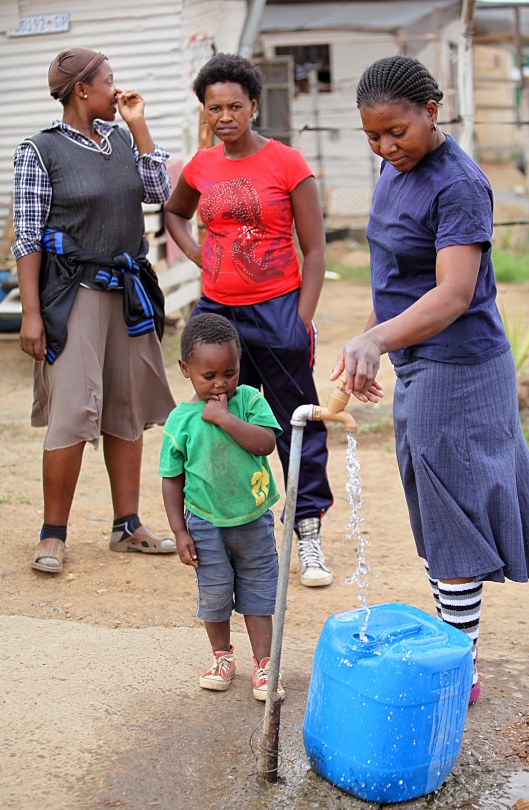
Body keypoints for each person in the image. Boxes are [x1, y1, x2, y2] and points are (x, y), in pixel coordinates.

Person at [331, 55, 529, 705]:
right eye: (372, 136)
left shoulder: (459, 184)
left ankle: (459, 671)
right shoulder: (395, 172)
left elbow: (450, 295)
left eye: (396, 132)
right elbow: (394, 278)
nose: (386, 147)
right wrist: (372, 343)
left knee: (454, 525)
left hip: (461, 367)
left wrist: (375, 340)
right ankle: (454, 654)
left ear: (431, 112)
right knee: (433, 517)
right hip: (419, 362)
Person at [164, 53, 334, 588]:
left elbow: (315, 249)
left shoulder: (287, 163)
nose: (225, 116)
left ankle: (306, 530)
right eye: (214, 107)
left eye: (235, 105)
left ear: (253, 105)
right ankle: (235, 527)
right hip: (218, 316)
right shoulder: (201, 165)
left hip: (278, 306)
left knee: (295, 421)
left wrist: (301, 321)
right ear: (205, 112)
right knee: (221, 417)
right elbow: (174, 212)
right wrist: (200, 256)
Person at [12, 47, 177, 574]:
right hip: (73, 291)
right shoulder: (38, 151)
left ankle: (126, 525)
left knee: (125, 409)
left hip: (126, 287)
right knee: (72, 413)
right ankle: (53, 534)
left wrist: (140, 124)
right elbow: (27, 239)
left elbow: (157, 191)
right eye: (109, 81)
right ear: (83, 90)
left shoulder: (123, 138)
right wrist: (31, 314)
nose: (117, 88)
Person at [159, 313, 285, 699]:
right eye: (209, 376)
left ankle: (265, 666)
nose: (220, 384)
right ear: (185, 369)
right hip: (204, 524)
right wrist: (179, 531)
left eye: (229, 373)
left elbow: (265, 443)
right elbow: (171, 477)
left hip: (253, 519)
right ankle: (222, 657)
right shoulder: (180, 420)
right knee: (214, 596)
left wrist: (224, 418)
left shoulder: (247, 401)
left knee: (260, 593)